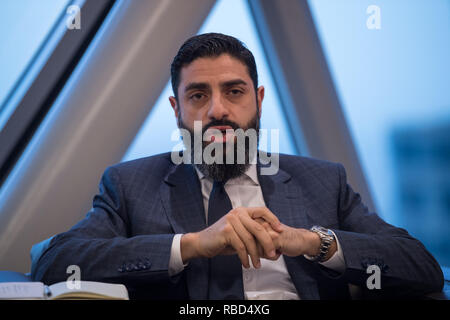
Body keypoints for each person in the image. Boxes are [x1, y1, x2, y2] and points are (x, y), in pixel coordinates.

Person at [31, 33, 443, 300]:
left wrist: (310, 242)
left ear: (259, 100)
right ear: (176, 110)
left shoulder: (323, 181)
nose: (217, 110)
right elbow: (56, 262)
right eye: (197, 95)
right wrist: (190, 245)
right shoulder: (130, 184)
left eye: (234, 91)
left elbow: (421, 266)